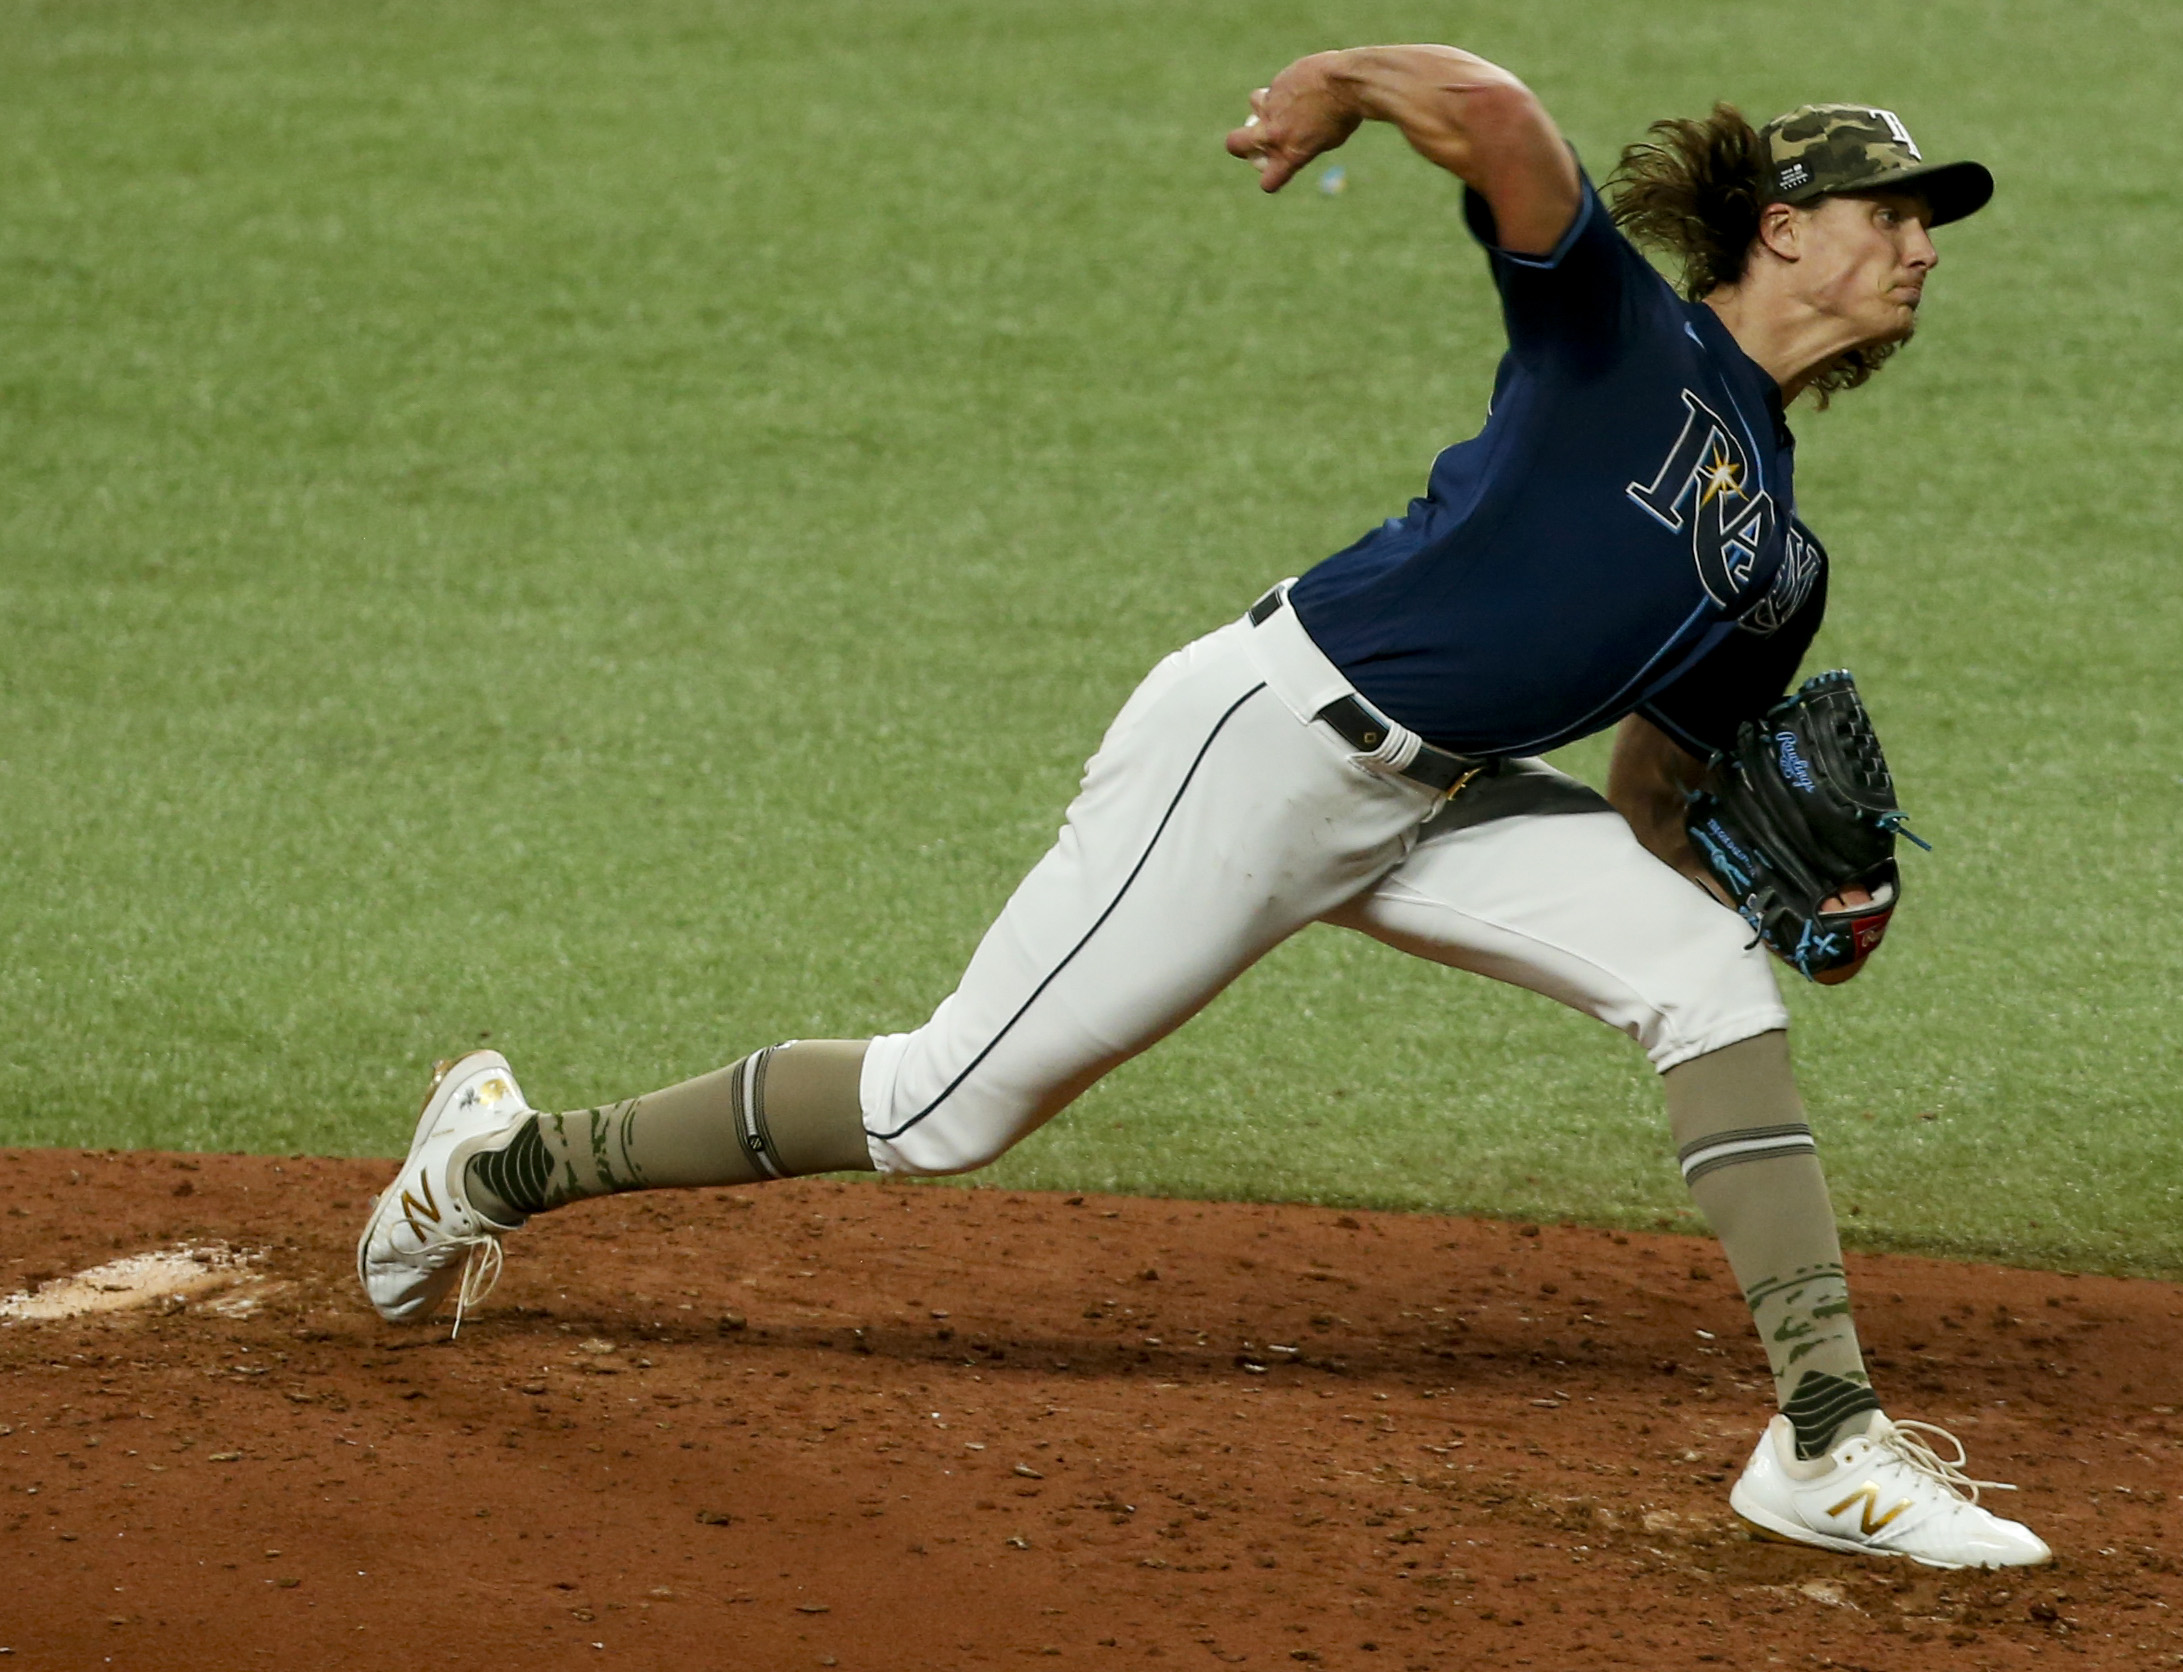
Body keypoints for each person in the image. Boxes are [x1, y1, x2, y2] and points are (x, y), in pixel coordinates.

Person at [359, 45, 2046, 1569]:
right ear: (1781, 230)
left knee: (1702, 977)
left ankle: (1825, 1442)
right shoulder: (1625, 335)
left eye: (1928, 220)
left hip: (1439, 801)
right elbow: (1510, 124)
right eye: (1889, 209)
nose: (1922, 242)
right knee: (939, 1110)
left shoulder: (1782, 570)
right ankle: (496, 1166)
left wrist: (1770, 902)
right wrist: (1347, 83)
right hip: (1262, 749)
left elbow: (1655, 785)